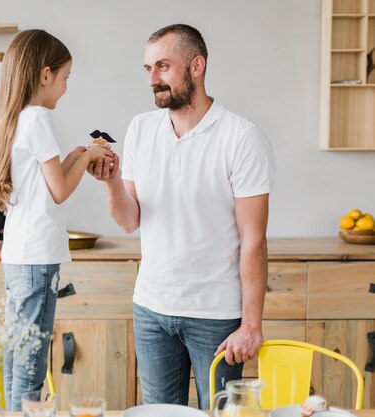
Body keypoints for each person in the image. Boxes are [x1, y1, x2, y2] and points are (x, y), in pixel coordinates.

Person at [90, 24, 277, 409]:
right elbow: (130, 220)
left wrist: (251, 324)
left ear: (197, 65)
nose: (153, 79)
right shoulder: (141, 129)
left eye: (163, 66)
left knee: (220, 412)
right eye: (148, 69)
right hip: (152, 309)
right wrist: (110, 184)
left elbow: (254, 238)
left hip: (216, 314)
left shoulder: (241, 138)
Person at [0, 29, 113, 411]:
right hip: (38, 257)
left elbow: (43, 182)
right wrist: (88, 158)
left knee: (16, 352)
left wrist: (77, 154)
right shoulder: (38, 117)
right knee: (31, 360)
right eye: (66, 77)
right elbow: (59, 191)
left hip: (19, 254)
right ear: (44, 75)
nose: (66, 87)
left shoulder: (16, 118)